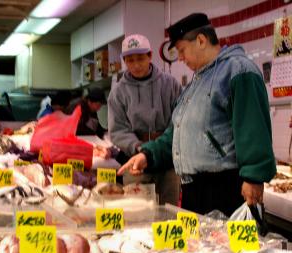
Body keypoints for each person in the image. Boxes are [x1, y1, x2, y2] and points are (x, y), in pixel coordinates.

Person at [118, 13, 276, 216]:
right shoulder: (196, 82)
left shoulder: (239, 71)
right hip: (194, 191)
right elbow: (176, 133)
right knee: (198, 248)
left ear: (201, 40)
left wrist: (254, 177)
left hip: (225, 189)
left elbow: (253, 128)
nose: (180, 58)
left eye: (182, 50)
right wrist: (147, 154)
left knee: (225, 248)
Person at [108, 34, 182, 205]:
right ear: (125, 61)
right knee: (138, 214)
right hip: (134, 161)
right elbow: (118, 130)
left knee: (168, 212)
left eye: (140, 58)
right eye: (130, 60)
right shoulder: (118, 92)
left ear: (150, 55)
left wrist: (158, 147)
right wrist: (139, 148)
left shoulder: (170, 84)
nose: (136, 65)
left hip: (167, 158)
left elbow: (179, 121)